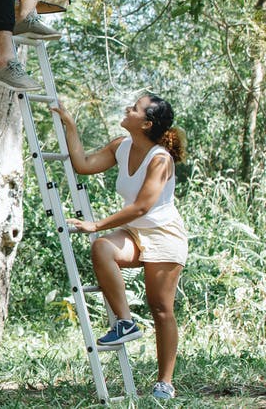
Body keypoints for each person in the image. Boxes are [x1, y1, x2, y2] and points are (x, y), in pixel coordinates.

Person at [51, 94, 188, 400]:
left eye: (135, 108)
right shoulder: (120, 146)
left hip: (164, 235)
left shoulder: (160, 159)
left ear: (146, 123)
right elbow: (83, 164)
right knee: (102, 249)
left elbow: (142, 207)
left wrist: (97, 224)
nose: (128, 109)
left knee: (161, 308)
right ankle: (126, 323)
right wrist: (70, 126)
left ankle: (164, 383)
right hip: (135, 233)